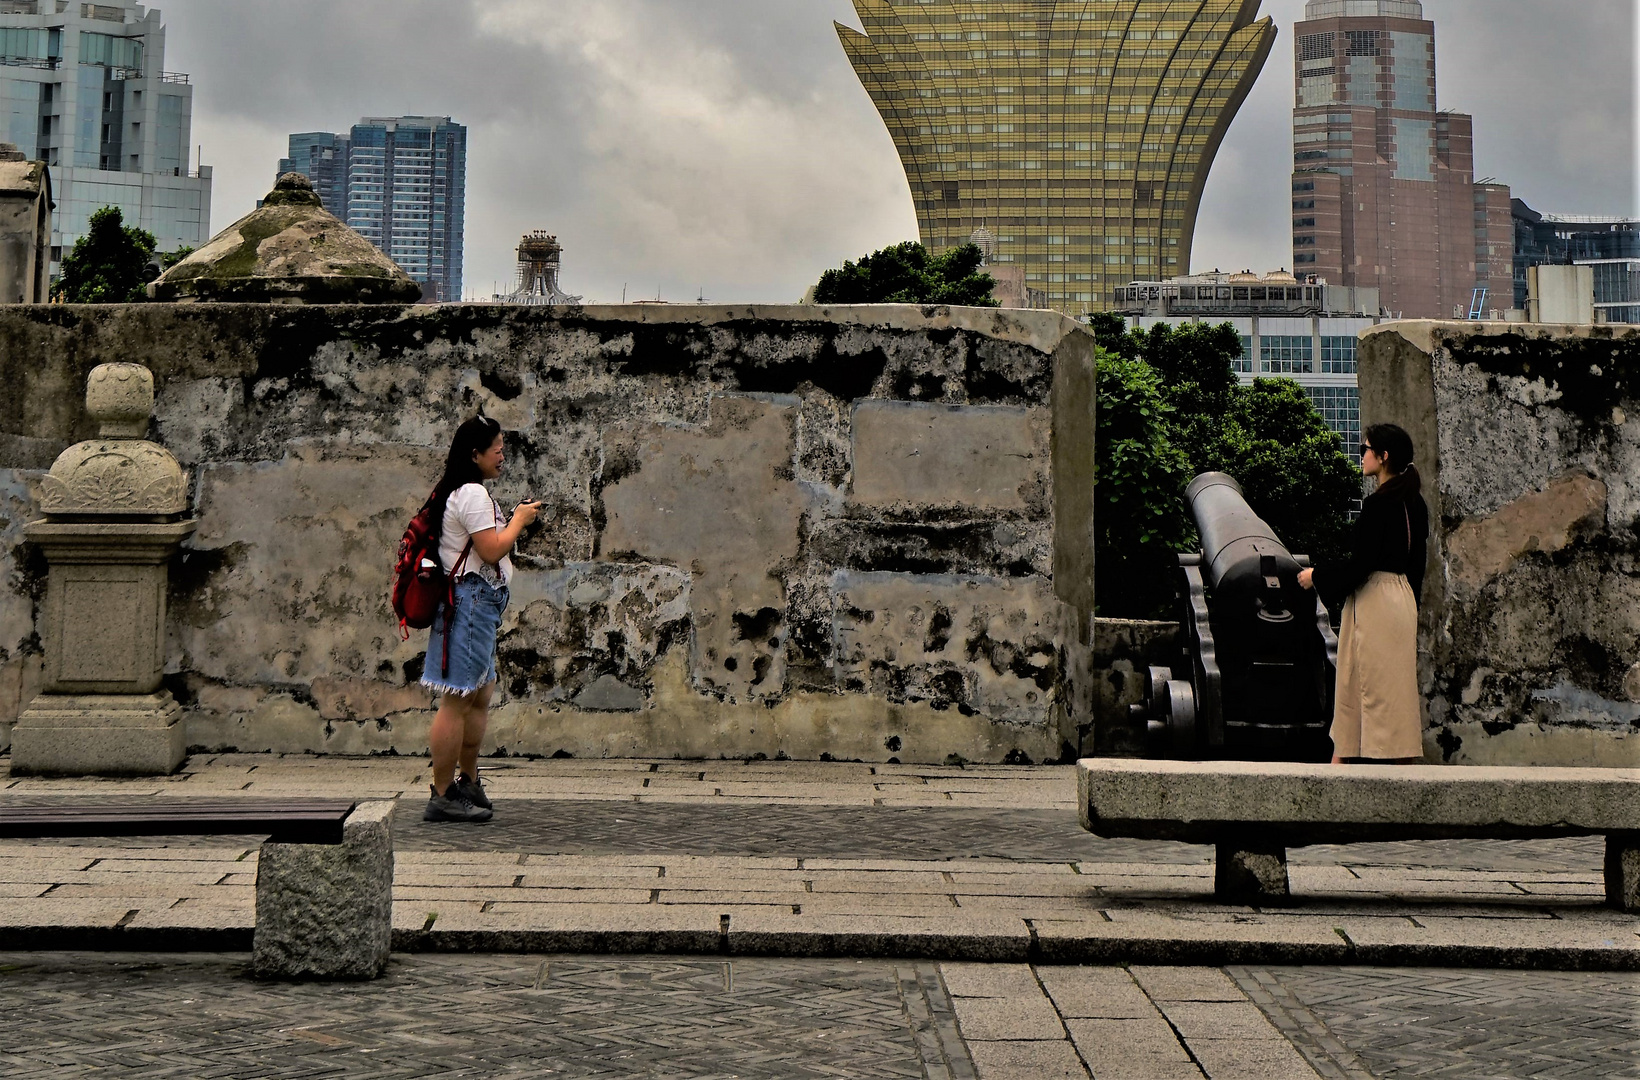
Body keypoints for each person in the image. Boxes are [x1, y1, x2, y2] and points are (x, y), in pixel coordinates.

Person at [419, 416, 540, 822]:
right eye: (497, 449)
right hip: (468, 603)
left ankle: (468, 780)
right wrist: (519, 520)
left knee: (480, 694)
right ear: (475, 455)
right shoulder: (470, 493)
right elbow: (491, 550)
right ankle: (441, 793)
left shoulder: (468, 491)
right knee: (457, 698)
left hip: (480, 604)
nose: (503, 456)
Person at [1298, 423, 1429, 765]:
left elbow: (1361, 564)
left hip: (1375, 599)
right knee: (1393, 689)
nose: (1362, 456)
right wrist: (1409, 603)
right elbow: (1418, 566)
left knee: (1360, 681)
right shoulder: (1415, 504)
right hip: (1402, 598)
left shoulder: (1378, 505)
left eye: (1365, 450)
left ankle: (1341, 760)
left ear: (1383, 458)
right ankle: (1396, 761)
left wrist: (1317, 576)